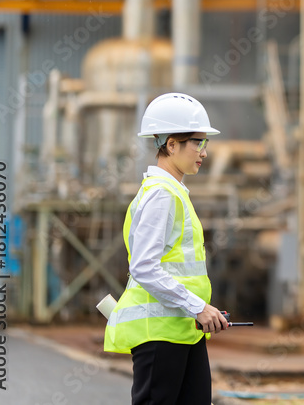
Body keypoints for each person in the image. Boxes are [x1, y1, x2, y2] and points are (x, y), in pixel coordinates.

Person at [104, 92, 229, 405]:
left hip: (183, 329)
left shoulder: (174, 192)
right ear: (171, 145)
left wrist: (199, 310)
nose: (204, 152)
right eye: (197, 143)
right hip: (160, 333)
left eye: (205, 143)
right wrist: (197, 306)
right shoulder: (161, 195)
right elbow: (144, 267)